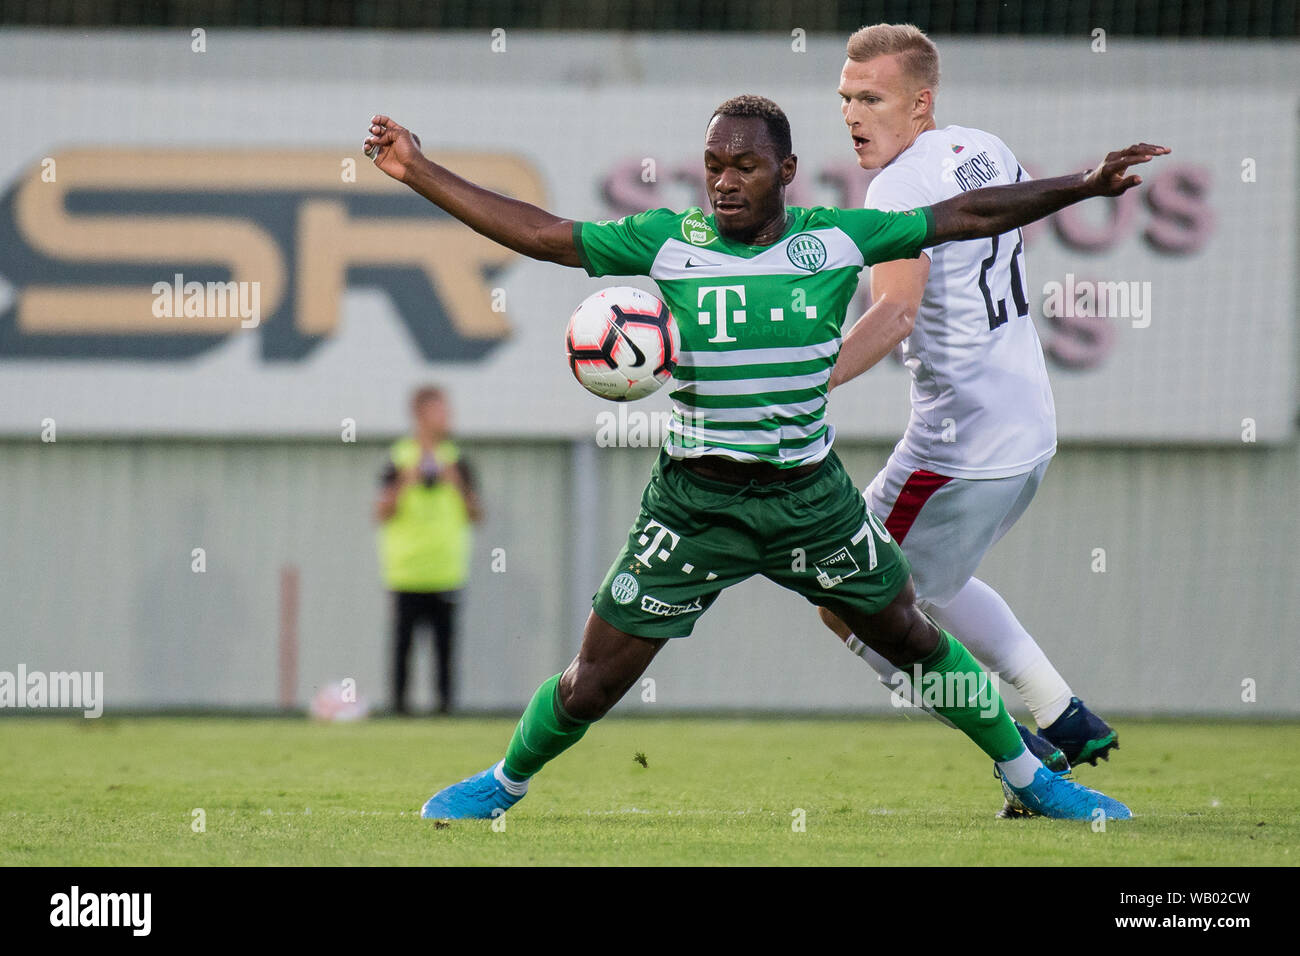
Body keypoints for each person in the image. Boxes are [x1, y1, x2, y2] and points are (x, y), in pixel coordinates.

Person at [362, 98, 1166, 820]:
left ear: (785, 170)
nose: (724, 181)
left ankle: (1030, 774)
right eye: (714, 165)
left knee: (913, 638)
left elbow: (966, 212)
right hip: (693, 505)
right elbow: (541, 234)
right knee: (593, 681)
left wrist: (1081, 184)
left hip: (809, 500)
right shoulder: (669, 241)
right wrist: (417, 169)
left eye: (744, 165)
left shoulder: (837, 239)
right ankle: (504, 783)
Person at [823, 24, 1121, 814]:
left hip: (957, 446)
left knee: (844, 593)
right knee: (934, 585)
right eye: (846, 97)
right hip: (1028, 432)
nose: (853, 114)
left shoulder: (893, 189)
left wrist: (799, 382)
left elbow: (890, 315)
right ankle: (1060, 711)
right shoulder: (981, 147)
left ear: (920, 103)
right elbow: (1014, 225)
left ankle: (1022, 751)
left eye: (871, 98)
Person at [375, 385, 483, 715]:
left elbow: (476, 514)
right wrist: (407, 480)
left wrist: (456, 483)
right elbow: (381, 511)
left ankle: (445, 712)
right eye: (440, 411)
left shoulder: (458, 461)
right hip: (406, 571)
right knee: (402, 647)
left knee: (445, 649)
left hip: (447, 570)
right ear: (420, 414)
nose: (447, 417)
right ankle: (398, 711)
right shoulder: (398, 458)